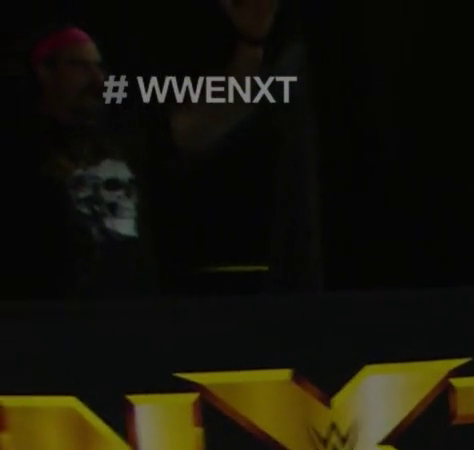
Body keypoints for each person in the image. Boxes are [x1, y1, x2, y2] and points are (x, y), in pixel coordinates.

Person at [0, 1, 280, 300]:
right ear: (44, 71)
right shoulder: (17, 147)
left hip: (133, 318)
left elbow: (216, 112)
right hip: (44, 319)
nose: (98, 80)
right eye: (80, 66)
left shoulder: (126, 136)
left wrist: (251, 44)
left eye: (100, 67)